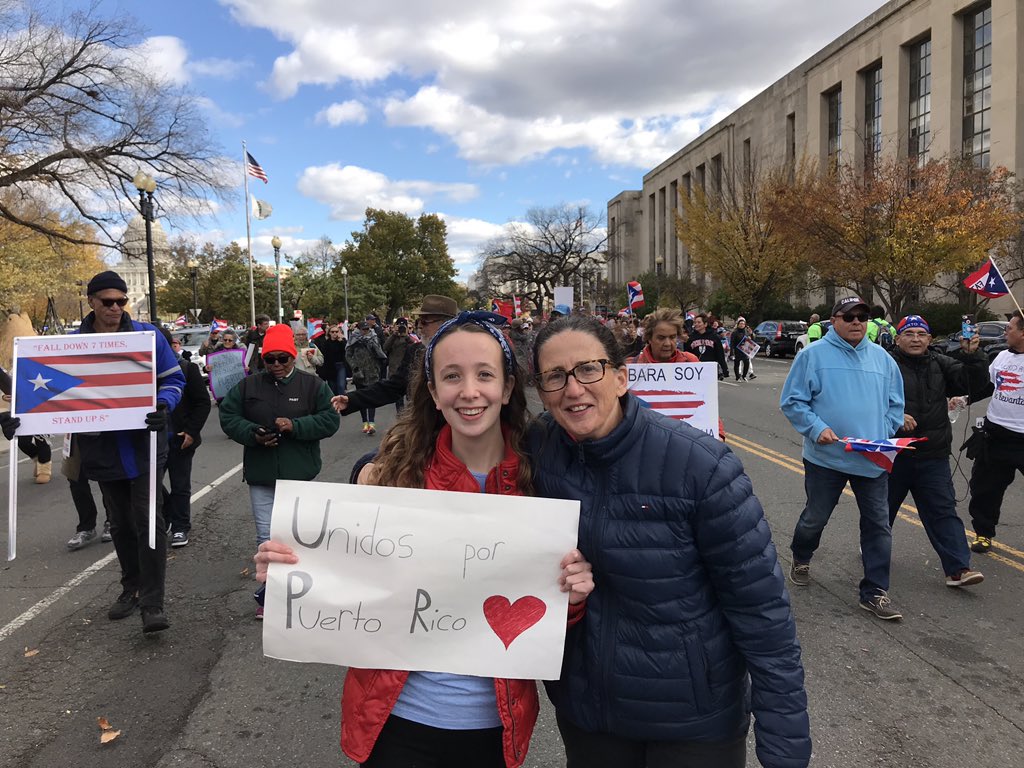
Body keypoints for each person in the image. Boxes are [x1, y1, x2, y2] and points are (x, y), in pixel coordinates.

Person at [255, 312, 594, 767]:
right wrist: (290, 569)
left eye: (485, 375)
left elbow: (546, 620)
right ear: (433, 392)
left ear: (508, 387)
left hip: (494, 727)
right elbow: (346, 585)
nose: (469, 391)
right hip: (395, 720)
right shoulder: (390, 479)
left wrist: (572, 596)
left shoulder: (544, 481)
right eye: (451, 376)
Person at [527, 315, 809, 768]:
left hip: (693, 723)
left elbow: (762, 614)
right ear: (540, 391)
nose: (573, 388)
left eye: (588, 369)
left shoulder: (702, 466)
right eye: (555, 376)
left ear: (620, 377)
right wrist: (372, 468)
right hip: (590, 716)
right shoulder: (538, 448)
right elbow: (453, 450)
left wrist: (785, 749)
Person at [780, 296, 905, 620]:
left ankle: (875, 591)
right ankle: (802, 555)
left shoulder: (883, 359)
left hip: (872, 458)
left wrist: (884, 428)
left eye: (862, 316)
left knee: (878, 524)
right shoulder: (812, 356)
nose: (856, 322)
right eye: (849, 316)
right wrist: (816, 427)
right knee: (815, 518)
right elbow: (793, 401)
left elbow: (895, 405)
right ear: (834, 320)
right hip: (827, 458)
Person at [77, 271, 184, 632]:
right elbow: (48, 399)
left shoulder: (147, 336)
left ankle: (152, 603)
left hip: (144, 445)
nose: (115, 308)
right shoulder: (72, 343)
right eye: (107, 301)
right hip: (101, 448)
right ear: (91, 302)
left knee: (148, 521)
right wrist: (20, 420)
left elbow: (174, 379)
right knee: (120, 524)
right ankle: (132, 587)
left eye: (121, 301)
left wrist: (163, 405)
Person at [219, 322, 339, 618]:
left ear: (292, 356)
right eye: (269, 359)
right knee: (267, 537)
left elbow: (330, 421)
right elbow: (228, 415)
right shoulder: (249, 386)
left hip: (300, 475)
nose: (275, 365)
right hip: (262, 475)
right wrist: (252, 434)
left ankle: (303, 588)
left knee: (301, 535)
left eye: (282, 358)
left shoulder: (312, 385)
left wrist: (296, 426)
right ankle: (270, 593)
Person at [885, 314, 988, 586]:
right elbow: (867, 399)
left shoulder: (941, 363)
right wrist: (896, 416)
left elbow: (973, 385)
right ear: (898, 339)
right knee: (882, 511)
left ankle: (958, 568)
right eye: (909, 334)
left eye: (921, 334)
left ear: (930, 339)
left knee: (943, 512)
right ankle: (873, 550)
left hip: (933, 455)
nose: (915, 339)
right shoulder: (885, 364)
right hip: (893, 453)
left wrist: (972, 356)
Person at [332, 295, 459, 418]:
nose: (419, 326)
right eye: (419, 321)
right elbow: (393, 387)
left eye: (425, 322)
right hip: (428, 428)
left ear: (446, 324)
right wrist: (351, 400)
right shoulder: (416, 352)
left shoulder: (467, 353)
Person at [967, 310, 1024, 554]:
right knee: (985, 487)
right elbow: (987, 387)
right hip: (996, 433)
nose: (1005, 331)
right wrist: (962, 398)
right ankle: (983, 533)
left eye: (1010, 327)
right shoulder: (1001, 356)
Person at [162, 329, 212, 548]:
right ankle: (167, 515)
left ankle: (180, 527)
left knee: (180, 484)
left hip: (180, 437)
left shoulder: (186, 368)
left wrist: (191, 431)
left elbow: (202, 402)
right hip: (150, 439)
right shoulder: (140, 371)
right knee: (146, 484)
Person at [346, 321, 388, 435]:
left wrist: (374, 346)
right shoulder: (353, 340)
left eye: (367, 329)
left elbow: (380, 353)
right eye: (363, 329)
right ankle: (365, 422)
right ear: (358, 329)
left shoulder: (373, 337)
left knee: (372, 396)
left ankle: (372, 423)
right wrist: (354, 367)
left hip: (372, 371)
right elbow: (348, 354)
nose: (365, 331)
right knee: (361, 397)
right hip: (359, 372)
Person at [628, 307, 699, 365]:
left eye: (672, 337)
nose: (667, 344)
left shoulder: (691, 361)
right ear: (649, 338)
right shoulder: (631, 365)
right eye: (661, 338)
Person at [685, 313, 729, 380]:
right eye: (695, 322)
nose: (696, 324)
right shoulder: (691, 338)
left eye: (699, 322)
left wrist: (724, 369)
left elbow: (720, 354)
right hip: (695, 369)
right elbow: (686, 354)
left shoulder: (714, 337)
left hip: (710, 369)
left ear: (705, 324)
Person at [384, 318, 414, 410]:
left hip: (408, 370)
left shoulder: (410, 338)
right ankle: (401, 418)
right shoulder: (392, 337)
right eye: (399, 326)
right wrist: (394, 334)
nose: (401, 328)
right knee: (398, 398)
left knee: (410, 397)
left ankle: (409, 417)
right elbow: (385, 347)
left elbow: (414, 346)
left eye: (403, 326)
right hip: (395, 370)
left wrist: (406, 336)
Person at [313, 323, 347, 396]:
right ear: (329, 333)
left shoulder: (342, 341)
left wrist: (341, 341)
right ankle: (335, 404)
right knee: (332, 388)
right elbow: (324, 355)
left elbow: (346, 351)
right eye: (332, 332)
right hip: (330, 367)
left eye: (336, 331)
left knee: (341, 386)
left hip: (341, 366)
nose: (334, 333)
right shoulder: (326, 343)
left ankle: (343, 403)